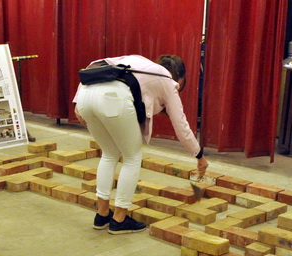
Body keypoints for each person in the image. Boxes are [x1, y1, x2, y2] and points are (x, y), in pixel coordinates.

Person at [73, 54, 208, 234]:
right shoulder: (167, 80)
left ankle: (102, 214)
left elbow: (96, 64)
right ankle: (119, 219)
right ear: (180, 77)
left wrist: (77, 100)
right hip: (114, 99)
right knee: (132, 158)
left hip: (85, 95)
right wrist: (199, 155)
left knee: (109, 154)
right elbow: (181, 126)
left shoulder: (137, 61)